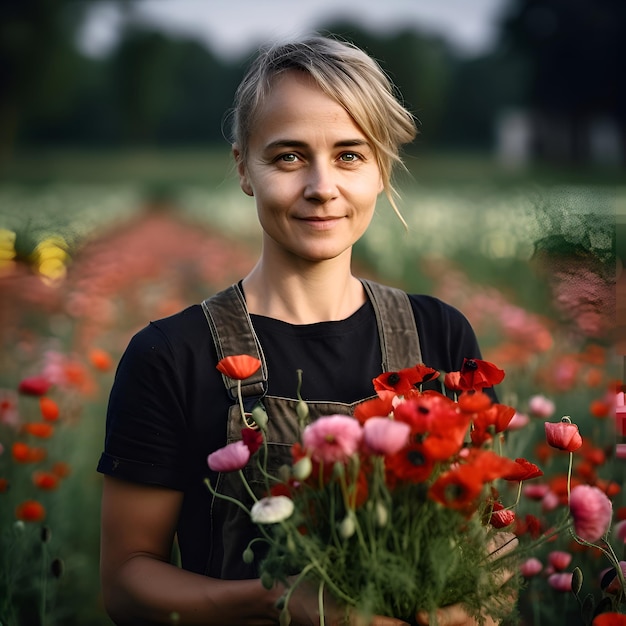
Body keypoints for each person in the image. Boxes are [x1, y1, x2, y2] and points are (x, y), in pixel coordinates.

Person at [98, 35, 509, 626]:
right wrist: (276, 601)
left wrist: (474, 609)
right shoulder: (171, 356)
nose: (322, 187)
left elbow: (492, 537)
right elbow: (126, 582)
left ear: (380, 169)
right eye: (288, 156)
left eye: (349, 155)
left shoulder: (440, 336)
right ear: (244, 167)